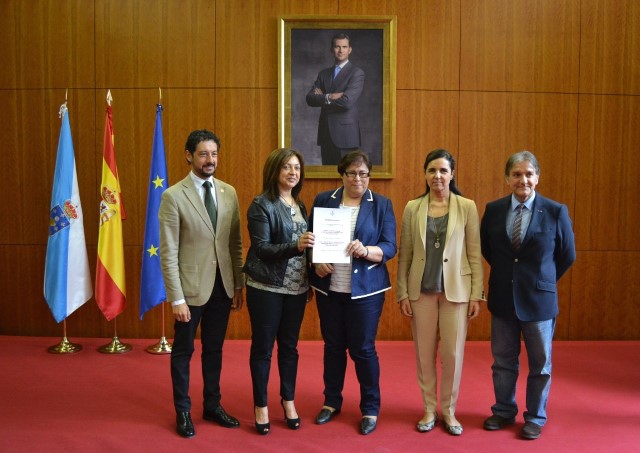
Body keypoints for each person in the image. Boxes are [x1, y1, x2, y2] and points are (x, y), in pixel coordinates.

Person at [480, 151, 576, 440]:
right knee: (503, 361)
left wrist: (542, 281)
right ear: (507, 178)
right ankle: (503, 411)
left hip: (539, 302)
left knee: (540, 365)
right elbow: (489, 250)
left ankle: (535, 417)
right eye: (517, 174)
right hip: (503, 299)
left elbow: (567, 255)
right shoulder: (494, 209)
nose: (523, 180)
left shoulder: (556, 211)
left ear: (537, 177)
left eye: (529, 174)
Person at [159, 129, 244, 438]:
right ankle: (182, 410)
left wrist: (237, 285)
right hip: (190, 291)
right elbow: (167, 252)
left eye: (214, 154)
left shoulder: (228, 192)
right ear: (189, 155)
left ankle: (212, 404)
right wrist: (176, 298)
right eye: (204, 154)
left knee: (215, 350)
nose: (210, 160)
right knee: (183, 352)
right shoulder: (173, 196)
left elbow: (235, 243)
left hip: (222, 287)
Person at [397, 149, 484, 436]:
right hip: (420, 293)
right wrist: (402, 293)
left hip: (456, 293)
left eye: (443, 171)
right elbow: (405, 256)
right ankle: (429, 410)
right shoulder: (413, 208)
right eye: (432, 170)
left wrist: (476, 294)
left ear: (452, 174)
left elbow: (474, 253)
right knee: (424, 355)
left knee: (452, 354)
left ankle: (449, 411)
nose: (437, 176)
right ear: (425, 174)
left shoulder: (467, 207)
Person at [310, 150, 397, 435]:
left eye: (363, 174)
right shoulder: (324, 200)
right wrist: (316, 261)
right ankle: (331, 402)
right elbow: (311, 241)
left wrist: (367, 250)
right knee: (333, 347)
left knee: (363, 349)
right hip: (330, 288)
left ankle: (370, 408)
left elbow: (390, 246)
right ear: (342, 175)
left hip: (366, 292)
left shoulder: (382, 204)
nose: (357, 179)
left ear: (369, 176)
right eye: (351, 173)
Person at [242, 148, 315, 435]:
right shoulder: (261, 204)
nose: (293, 172)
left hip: (296, 289)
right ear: (274, 171)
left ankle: (288, 400)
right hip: (266, 287)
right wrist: (295, 246)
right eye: (286, 167)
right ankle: (261, 405)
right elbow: (261, 249)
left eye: (297, 167)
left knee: (289, 348)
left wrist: (309, 277)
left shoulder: (300, 204)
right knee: (263, 349)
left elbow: (307, 249)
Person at [306, 33, 365, 165]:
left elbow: (347, 102)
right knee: (327, 175)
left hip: (346, 135)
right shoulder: (323, 74)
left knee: (347, 176)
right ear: (332, 49)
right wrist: (330, 96)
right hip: (326, 133)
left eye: (344, 47)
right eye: (337, 47)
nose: (341, 50)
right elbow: (310, 98)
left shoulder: (356, 73)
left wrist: (322, 97)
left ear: (349, 49)